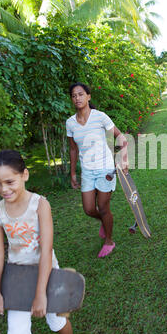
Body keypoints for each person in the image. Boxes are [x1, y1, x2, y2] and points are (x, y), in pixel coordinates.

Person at [0, 150, 79, 334]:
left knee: (56, 321)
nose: (4, 189)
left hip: (47, 273)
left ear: (25, 175)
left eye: (10, 181)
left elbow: (46, 251)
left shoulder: (40, 205)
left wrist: (40, 294)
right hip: (16, 278)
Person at [66, 82, 128, 258]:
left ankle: (109, 241)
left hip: (105, 168)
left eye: (80, 94)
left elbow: (121, 137)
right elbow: (73, 149)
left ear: (88, 96)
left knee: (102, 206)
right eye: (74, 95)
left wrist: (124, 158)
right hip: (87, 171)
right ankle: (105, 221)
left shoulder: (100, 117)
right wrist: (72, 173)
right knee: (88, 209)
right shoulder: (70, 123)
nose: (77, 98)